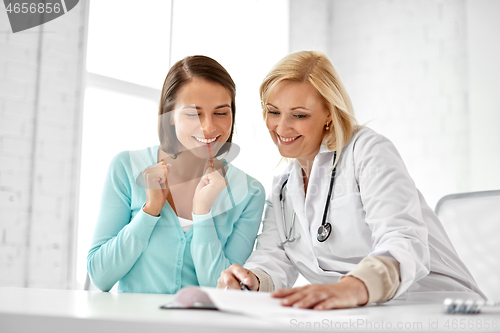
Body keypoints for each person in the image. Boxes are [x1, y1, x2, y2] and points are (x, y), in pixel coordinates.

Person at [218, 51, 485, 309]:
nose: (281, 127)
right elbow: (272, 257)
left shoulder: (367, 151)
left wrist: (351, 287)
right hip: (360, 313)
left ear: (328, 114)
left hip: (434, 305)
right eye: (273, 111)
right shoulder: (283, 188)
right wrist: (251, 280)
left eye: (299, 115)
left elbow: (404, 242)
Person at [87, 55, 265, 293]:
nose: (209, 127)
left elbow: (226, 291)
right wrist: (149, 211)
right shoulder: (126, 168)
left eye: (221, 113)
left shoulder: (249, 192)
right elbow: (100, 276)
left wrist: (202, 214)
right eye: (194, 114)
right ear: (169, 115)